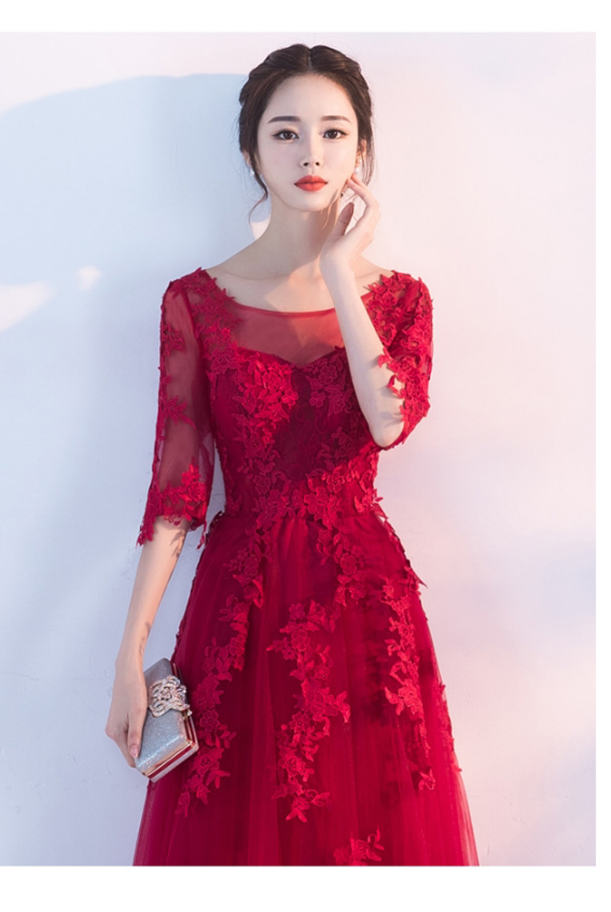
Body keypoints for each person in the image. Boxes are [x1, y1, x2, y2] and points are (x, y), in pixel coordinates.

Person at [106, 43, 479, 866]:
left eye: (333, 132)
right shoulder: (195, 303)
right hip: (241, 608)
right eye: (285, 133)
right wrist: (130, 655)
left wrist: (340, 271)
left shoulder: (402, 300)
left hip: (363, 602)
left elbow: (389, 423)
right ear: (251, 151)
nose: (311, 152)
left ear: (361, 152)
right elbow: (177, 491)